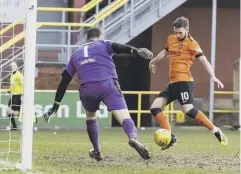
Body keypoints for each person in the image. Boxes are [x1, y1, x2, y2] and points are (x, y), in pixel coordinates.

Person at [44, 27, 153, 161]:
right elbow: (119, 47)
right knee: (123, 115)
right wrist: (135, 51)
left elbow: (64, 81)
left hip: (87, 88)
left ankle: (96, 151)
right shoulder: (104, 43)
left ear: (87, 39)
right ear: (101, 36)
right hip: (108, 84)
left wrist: (55, 106)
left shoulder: (76, 54)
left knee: (91, 116)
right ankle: (132, 138)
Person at [149, 17, 228, 150]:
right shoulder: (171, 39)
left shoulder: (192, 43)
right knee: (155, 108)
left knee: (189, 110)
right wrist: (153, 61)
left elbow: (203, 61)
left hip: (184, 82)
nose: (178, 35)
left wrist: (213, 76)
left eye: (180, 32)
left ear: (187, 29)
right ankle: (169, 136)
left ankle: (215, 130)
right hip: (173, 83)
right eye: (176, 32)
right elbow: (164, 53)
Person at [7, 62, 23, 130]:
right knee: (9, 111)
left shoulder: (19, 74)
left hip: (18, 95)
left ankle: (25, 124)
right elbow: (13, 84)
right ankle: (14, 126)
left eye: (14, 66)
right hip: (13, 95)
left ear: (17, 67)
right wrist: (9, 90)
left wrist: (23, 92)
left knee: (16, 112)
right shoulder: (12, 75)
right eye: (11, 66)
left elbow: (23, 82)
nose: (12, 67)